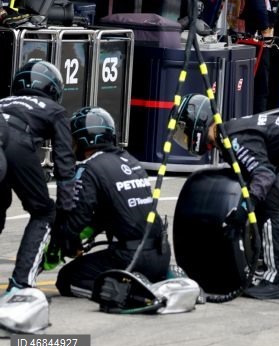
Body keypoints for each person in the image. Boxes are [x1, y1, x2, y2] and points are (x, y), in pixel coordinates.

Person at [172, 95, 279, 299]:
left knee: (269, 198)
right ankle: (259, 264)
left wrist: (243, 209)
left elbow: (264, 175)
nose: (184, 137)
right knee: (256, 195)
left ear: (200, 120)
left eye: (183, 130)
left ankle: (277, 280)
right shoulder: (227, 136)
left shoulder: (234, 138)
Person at [51, 107, 171, 298]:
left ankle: (129, 294)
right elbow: (113, 211)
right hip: (161, 255)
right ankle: (163, 277)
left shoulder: (88, 168)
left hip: (130, 258)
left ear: (82, 140)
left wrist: (64, 242)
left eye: (72, 140)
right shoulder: (132, 162)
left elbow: (76, 218)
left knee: (66, 278)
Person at [0, 60, 76, 292]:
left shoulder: (2, 101)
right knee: (44, 211)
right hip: (16, 144)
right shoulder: (55, 110)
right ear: (52, 89)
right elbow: (64, 163)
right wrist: (65, 213)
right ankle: (20, 284)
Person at [241, 0, 276, 113]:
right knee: (261, 85)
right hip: (257, 41)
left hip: (240, 36)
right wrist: (266, 30)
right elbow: (258, 9)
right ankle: (258, 120)